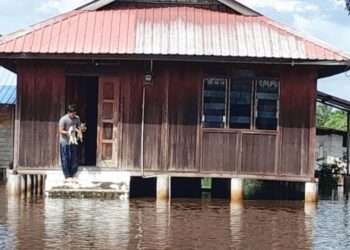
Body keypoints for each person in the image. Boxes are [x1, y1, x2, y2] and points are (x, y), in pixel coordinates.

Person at [58, 104, 82, 181]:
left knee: (74, 158)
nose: (73, 115)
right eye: (72, 113)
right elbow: (60, 130)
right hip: (65, 141)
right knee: (65, 158)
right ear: (68, 112)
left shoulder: (77, 118)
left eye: (74, 113)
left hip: (74, 141)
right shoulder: (63, 119)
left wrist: (81, 130)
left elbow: (79, 127)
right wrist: (68, 132)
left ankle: (73, 174)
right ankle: (67, 176)